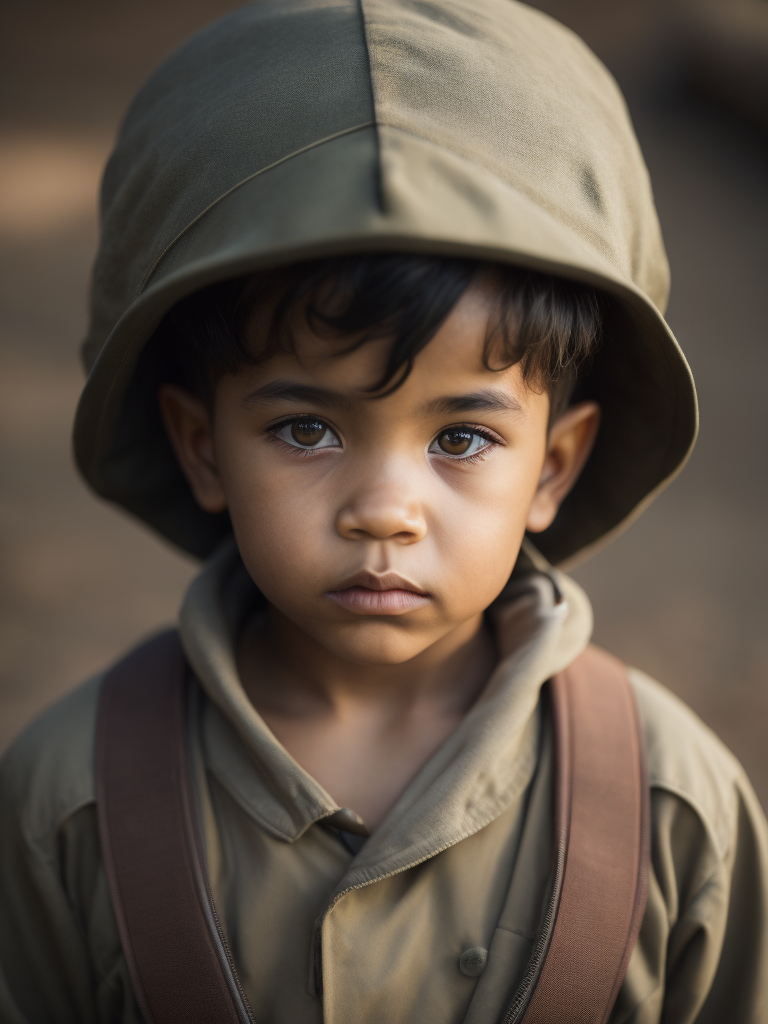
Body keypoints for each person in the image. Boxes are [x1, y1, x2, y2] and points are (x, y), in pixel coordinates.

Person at [1, 1, 767, 1022]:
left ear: (556, 464)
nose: (383, 512)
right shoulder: (67, 803)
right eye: (307, 429)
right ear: (199, 445)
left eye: (461, 438)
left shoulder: (674, 808)